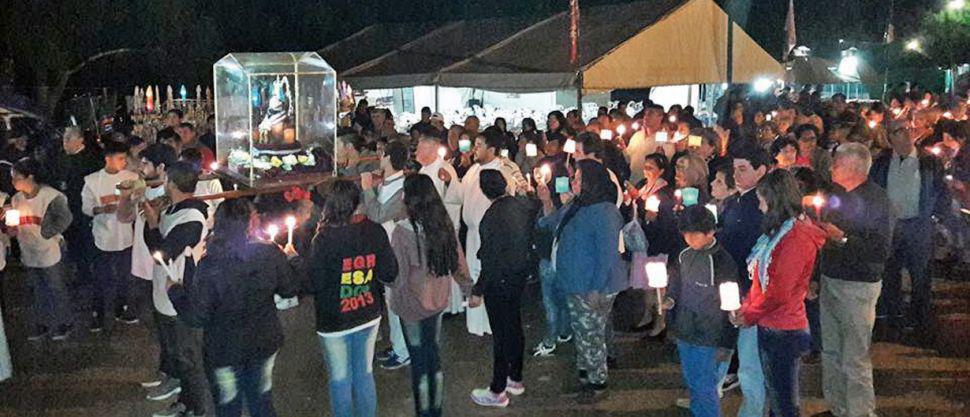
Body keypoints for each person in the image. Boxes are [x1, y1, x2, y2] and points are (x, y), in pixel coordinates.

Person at [167, 198, 296, 417]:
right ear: (249, 224)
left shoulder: (211, 264)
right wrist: (291, 259)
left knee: (228, 405)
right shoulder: (269, 254)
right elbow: (290, 288)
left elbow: (197, 315)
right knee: (261, 399)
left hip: (224, 349)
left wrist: (175, 291)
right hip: (262, 342)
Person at [302, 179, 398, 417]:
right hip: (367, 312)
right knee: (364, 374)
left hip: (334, 320)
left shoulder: (323, 239)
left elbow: (313, 283)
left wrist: (296, 260)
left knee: (340, 379)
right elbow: (389, 273)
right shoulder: (374, 231)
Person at [734, 169, 825, 417]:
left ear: (776, 200)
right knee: (778, 397)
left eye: (763, 199)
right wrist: (748, 306)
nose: (760, 206)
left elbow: (778, 291)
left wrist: (749, 314)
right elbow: (762, 280)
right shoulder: (780, 232)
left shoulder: (795, 238)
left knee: (784, 401)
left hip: (784, 329)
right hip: (773, 324)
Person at [817, 143, 893, 417]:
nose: (832, 167)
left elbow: (881, 250)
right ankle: (837, 407)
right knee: (831, 351)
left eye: (837, 163)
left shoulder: (877, 200)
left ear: (855, 167)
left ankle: (860, 412)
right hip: (830, 279)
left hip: (858, 286)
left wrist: (844, 239)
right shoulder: (835, 194)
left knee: (855, 357)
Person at [537, 159, 623, 404]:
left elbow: (607, 254)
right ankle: (586, 377)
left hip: (592, 286)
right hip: (576, 282)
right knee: (582, 332)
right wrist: (546, 200)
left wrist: (596, 288)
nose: (573, 181)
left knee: (592, 334)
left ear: (591, 182)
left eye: (577, 178)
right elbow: (550, 223)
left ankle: (598, 383)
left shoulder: (605, 211)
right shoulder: (577, 204)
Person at [389, 174, 472, 417]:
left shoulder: (402, 232)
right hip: (437, 301)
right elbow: (458, 261)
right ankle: (436, 410)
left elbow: (398, 277)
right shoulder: (442, 224)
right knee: (433, 355)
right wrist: (469, 289)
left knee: (419, 362)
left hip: (411, 306)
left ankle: (423, 412)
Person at [142, 161, 211, 417]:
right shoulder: (175, 208)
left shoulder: (191, 218)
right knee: (172, 347)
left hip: (179, 292)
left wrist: (151, 224)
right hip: (166, 287)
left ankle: (194, 406)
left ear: (172, 182)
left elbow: (161, 254)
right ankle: (177, 388)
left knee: (187, 356)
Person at [870, 122, 948, 332]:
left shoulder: (929, 161)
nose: (905, 135)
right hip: (890, 226)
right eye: (899, 132)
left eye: (908, 130)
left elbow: (941, 192)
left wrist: (936, 220)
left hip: (918, 226)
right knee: (890, 272)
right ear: (890, 138)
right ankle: (891, 315)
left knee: (920, 274)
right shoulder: (882, 163)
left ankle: (919, 318)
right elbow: (874, 191)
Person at [440, 132, 520, 336]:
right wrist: (450, 181)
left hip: (491, 234)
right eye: (475, 145)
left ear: (491, 150)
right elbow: (460, 195)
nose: (475, 149)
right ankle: (476, 323)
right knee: (473, 274)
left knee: (488, 274)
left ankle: (490, 323)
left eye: (479, 145)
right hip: (473, 235)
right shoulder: (474, 170)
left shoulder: (503, 171)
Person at [117, 143, 180, 391]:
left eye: (145, 163)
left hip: (164, 267)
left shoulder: (170, 195)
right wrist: (125, 197)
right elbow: (124, 218)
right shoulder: (141, 189)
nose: (140, 168)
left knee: (171, 328)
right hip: (144, 267)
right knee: (157, 326)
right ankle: (166, 371)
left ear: (162, 167)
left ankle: (176, 377)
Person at [469, 170, 535, 408]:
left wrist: (478, 290)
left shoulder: (492, 215)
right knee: (514, 327)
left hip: (499, 281)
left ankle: (497, 389)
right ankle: (515, 377)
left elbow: (490, 258)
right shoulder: (519, 206)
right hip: (518, 277)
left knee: (501, 334)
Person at [665, 205, 738, 417]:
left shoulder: (722, 262)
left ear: (710, 232)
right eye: (685, 234)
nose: (688, 239)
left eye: (694, 234)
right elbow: (676, 281)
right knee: (692, 379)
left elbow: (731, 305)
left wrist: (726, 342)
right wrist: (670, 298)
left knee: (706, 384)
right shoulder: (684, 255)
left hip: (709, 334)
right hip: (685, 328)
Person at [717, 148, 771, 417]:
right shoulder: (736, 201)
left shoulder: (757, 206)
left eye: (743, 169)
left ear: (761, 171)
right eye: (735, 169)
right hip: (733, 283)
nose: (736, 174)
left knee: (750, 357)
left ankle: (753, 409)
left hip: (748, 288)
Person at [8, 159, 74, 341]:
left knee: (56, 287)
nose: (13, 182)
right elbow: (14, 227)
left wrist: (46, 233)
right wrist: (12, 229)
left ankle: (63, 322)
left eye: (16, 178)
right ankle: (43, 323)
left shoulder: (51, 196)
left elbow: (65, 219)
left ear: (30, 177)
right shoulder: (16, 199)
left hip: (49, 250)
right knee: (37, 289)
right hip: (29, 250)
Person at [360, 140, 411, 370]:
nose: (379, 157)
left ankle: (404, 351)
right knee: (390, 300)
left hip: (397, 250)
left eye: (382, 153)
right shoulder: (389, 183)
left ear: (389, 158)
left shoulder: (401, 188)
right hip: (386, 249)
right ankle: (397, 344)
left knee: (397, 300)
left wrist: (367, 188)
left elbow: (378, 214)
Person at [82, 140, 140, 330]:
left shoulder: (131, 177)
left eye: (125, 158)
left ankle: (120, 308)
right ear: (108, 159)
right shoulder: (92, 181)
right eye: (120, 158)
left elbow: (138, 201)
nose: (124, 162)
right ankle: (98, 313)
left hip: (125, 236)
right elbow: (86, 208)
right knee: (101, 277)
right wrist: (101, 209)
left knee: (124, 276)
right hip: (103, 236)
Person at [414, 136, 463, 314]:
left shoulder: (444, 168)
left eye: (420, 149)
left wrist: (449, 182)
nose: (416, 153)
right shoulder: (424, 169)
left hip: (442, 227)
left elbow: (456, 196)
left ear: (432, 150)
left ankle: (449, 305)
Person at [55, 127, 101, 299]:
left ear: (80, 140)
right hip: (68, 210)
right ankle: (81, 273)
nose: (64, 142)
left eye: (68, 138)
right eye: (64, 138)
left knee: (87, 242)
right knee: (74, 243)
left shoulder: (91, 160)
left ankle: (91, 276)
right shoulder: (62, 158)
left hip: (84, 210)